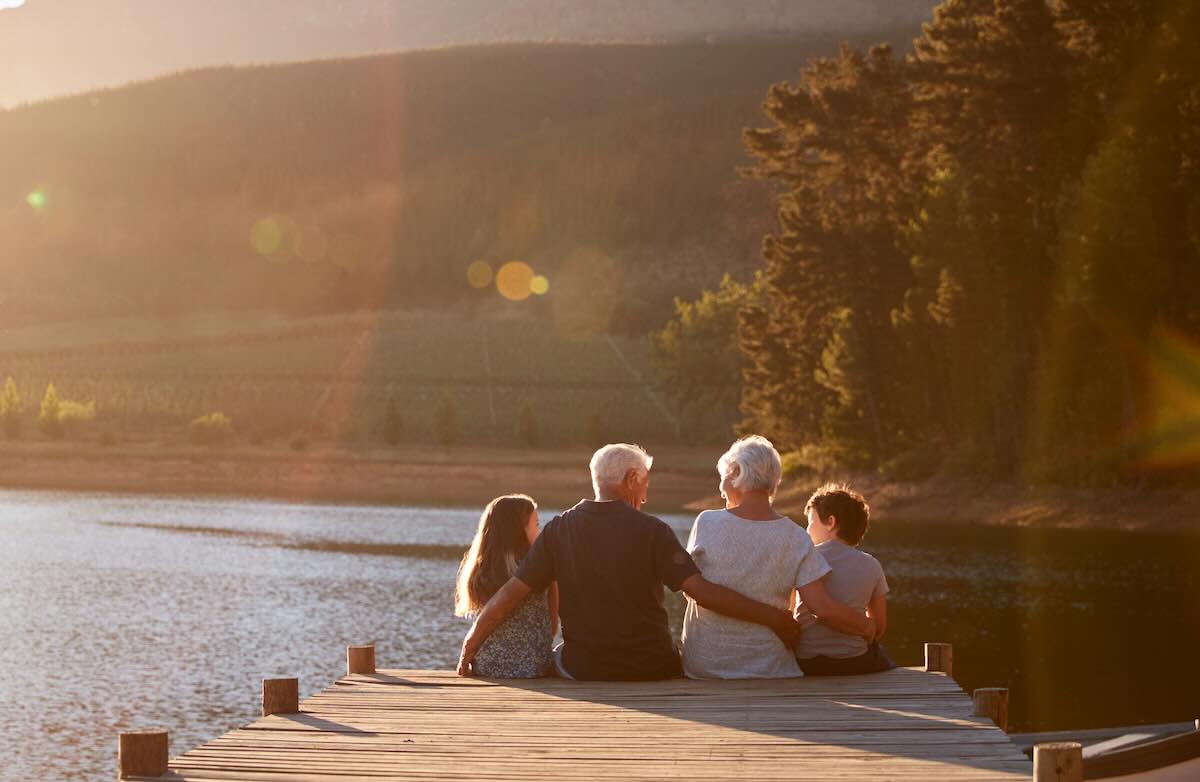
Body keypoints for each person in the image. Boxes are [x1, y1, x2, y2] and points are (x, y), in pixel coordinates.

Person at [457, 443, 803, 680]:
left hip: (585, 669)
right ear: (631, 479)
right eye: (644, 484)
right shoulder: (654, 530)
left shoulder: (559, 530)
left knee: (561, 653)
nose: (646, 496)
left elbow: (509, 595)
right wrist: (775, 618)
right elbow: (701, 592)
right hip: (653, 667)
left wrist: (469, 646)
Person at [681, 436, 876, 679]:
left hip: (706, 667)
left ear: (736, 471)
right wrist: (867, 625)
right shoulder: (796, 536)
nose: (720, 488)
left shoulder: (707, 522)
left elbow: (692, 589)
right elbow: (823, 608)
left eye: (722, 477)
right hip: (769, 669)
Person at [794, 483, 895, 675]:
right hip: (853, 661)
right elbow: (879, 628)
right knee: (883, 655)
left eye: (810, 522)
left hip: (806, 662)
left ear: (831, 522)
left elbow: (793, 615)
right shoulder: (871, 565)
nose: (807, 530)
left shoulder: (804, 559)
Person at [454, 494, 558, 678]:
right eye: (537, 525)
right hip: (534, 667)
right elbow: (552, 625)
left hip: (489, 665)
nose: (540, 532)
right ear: (518, 530)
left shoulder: (481, 569)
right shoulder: (541, 568)